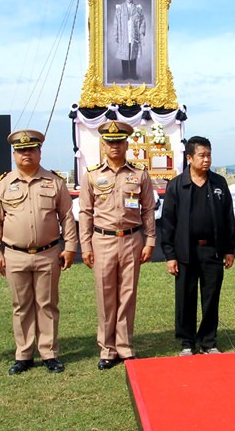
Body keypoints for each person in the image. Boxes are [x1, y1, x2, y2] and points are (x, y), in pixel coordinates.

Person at [0, 130, 77, 375]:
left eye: (31, 150)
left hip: (48, 253)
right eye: (21, 151)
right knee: (21, 305)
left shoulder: (54, 182)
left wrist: (69, 247)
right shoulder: (3, 185)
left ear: (39, 152)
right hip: (14, 254)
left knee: (47, 304)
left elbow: (67, 217)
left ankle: (49, 352)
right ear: (14, 154)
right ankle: (24, 354)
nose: (26, 154)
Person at [78, 121, 156, 370]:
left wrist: (150, 239)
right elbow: (86, 213)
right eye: (110, 142)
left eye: (119, 142)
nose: (114, 146)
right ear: (103, 144)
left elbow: (148, 210)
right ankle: (107, 348)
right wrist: (86, 246)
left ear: (126, 144)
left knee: (127, 294)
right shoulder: (92, 174)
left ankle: (124, 345)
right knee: (105, 294)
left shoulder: (139, 174)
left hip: (132, 239)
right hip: (102, 240)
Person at [161, 136, 235, 356]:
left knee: (211, 296)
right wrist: (170, 255)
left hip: (212, 250)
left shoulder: (218, 183)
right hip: (185, 250)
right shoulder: (177, 185)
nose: (206, 160)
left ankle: (209, 341)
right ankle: (187, 342)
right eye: (202, 155)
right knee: (186, 296)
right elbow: (168, 223)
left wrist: (229, 248)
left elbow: (228, 218)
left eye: (209, 155)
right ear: (189, 158)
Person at [114, 0, 146, 81]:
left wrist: (141, 31)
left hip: (133, 34)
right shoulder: (119, 9)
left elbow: (142, 20)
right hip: (123, 34)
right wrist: (116, 34)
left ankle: (132, 74)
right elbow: (115, 22)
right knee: (124, 54)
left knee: (133, 54)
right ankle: (125, 74)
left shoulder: (137, 8)